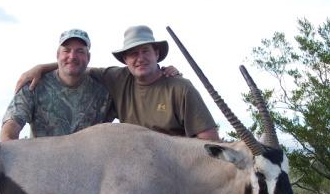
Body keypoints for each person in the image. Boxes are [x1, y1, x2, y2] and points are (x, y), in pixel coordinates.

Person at [16, 25, 219, 141]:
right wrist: (42, 68)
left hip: (176, 170)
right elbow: (75, 66)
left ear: (157, 53)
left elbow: (210, 139)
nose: (140, 58)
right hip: (136, 167)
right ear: (125, 60)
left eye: (145, 51)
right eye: (133, 53)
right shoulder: (117, 78)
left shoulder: (180, 87)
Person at [0, 29, 114, 142]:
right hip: (43, 158)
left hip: (87, 159)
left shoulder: (103, 92)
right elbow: (10, 126)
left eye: (80, 51)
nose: (72, 56)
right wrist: (9, 144)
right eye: (66, 50)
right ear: (57, 55)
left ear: (88, 58)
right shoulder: (34, 85)